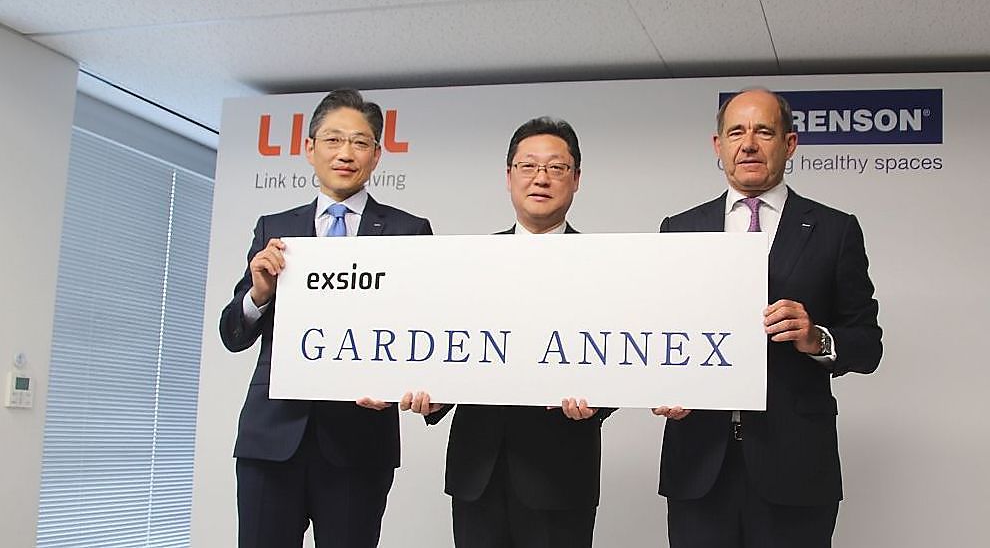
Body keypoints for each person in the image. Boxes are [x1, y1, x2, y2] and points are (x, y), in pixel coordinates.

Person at [653, 88, 882, 547]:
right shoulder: (679, 229)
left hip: (795, 464)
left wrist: (816, 337)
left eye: (764, 132)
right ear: (718, 146)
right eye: (736, 132)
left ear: (790, 143)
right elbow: (659, 335)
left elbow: (867, 343)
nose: (749, 144)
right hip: (699, 464)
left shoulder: (835, 230)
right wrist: (663, 383)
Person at [219, 89, 433, 548]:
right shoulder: (274, 228)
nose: (345, 153)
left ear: (377, 155)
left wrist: (397, 382)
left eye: (360, 142)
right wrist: (259, 294)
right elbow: (233, 334)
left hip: (359, 444)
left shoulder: (409, 232)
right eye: (333, 139)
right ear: (309, 148)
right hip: (271, 438)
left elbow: (422, 331)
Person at [401, 117, 613, 548]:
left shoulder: (605, 265)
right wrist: (435, 393)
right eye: (528, 166)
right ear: (509, 176)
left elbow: (624, 353)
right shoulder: (469, 262)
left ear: (576, 179)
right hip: (477, 473)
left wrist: (599, 400)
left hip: (560, 476)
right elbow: (449, 346)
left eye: (556, 167)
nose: (541, 178)